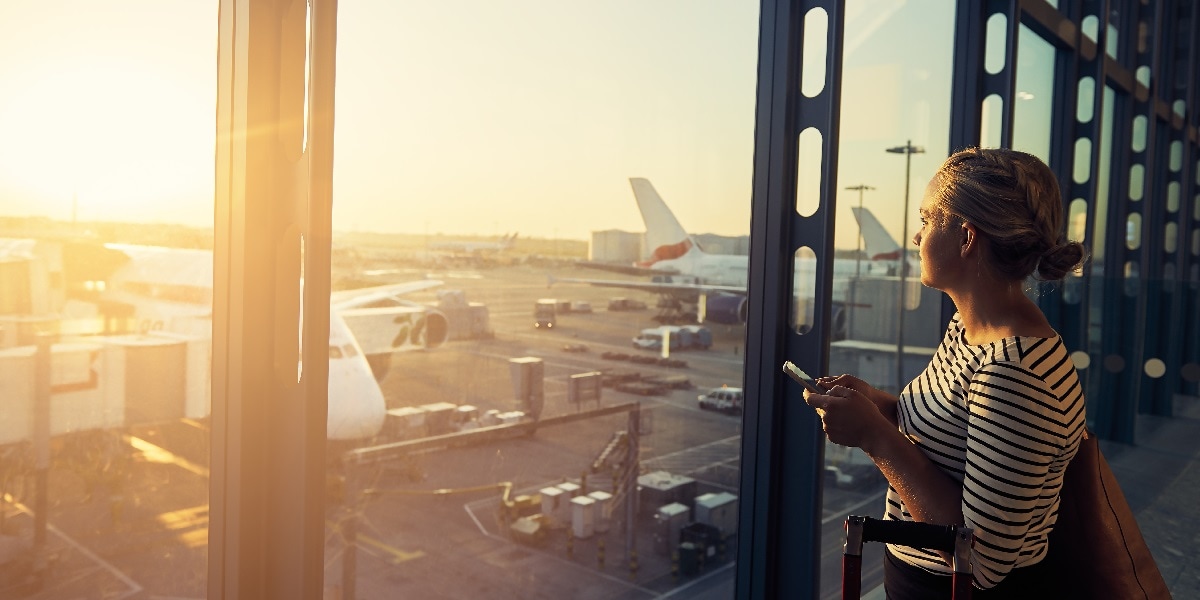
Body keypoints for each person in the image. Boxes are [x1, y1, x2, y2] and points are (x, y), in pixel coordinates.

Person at [805, 147, 1088, 598]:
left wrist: (873, 437)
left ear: (966, 238)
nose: (916, 238)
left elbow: (982, 559)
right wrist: (880, 408)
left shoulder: (1014, 373)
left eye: (927, 219)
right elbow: (962, 431)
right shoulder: (971, 330)